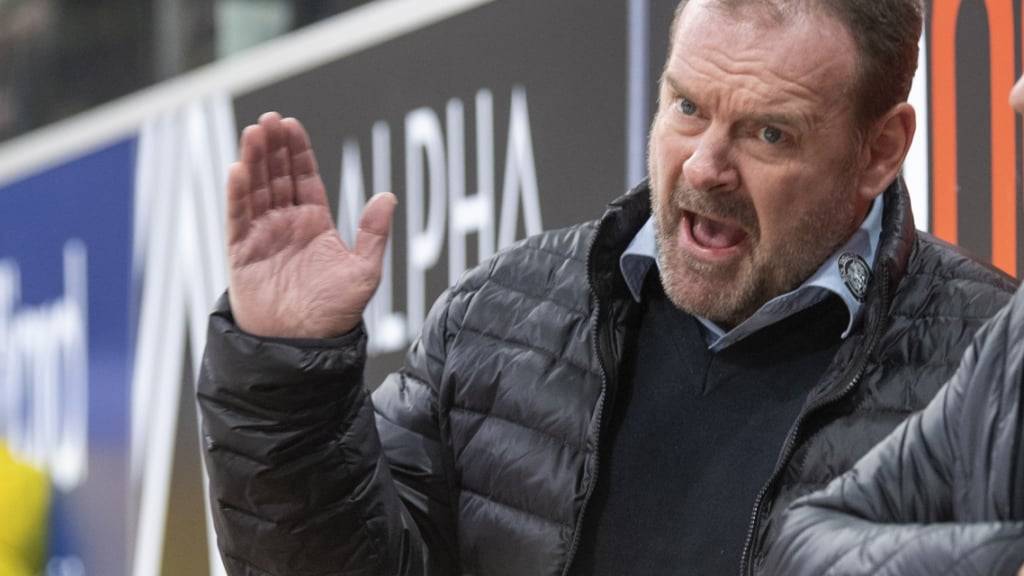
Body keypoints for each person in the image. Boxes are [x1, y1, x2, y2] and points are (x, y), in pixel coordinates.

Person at [196, 0, 1016, 574]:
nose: (704, 166)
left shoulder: (989, 360)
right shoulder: (500, 314)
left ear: (880, 151)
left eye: (769, 133)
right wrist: (286, 377)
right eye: (687, 107)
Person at [761, 77, 1024, 576]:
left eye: (772, 133)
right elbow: (803, 542)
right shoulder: (1015, 338)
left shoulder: (986, 313)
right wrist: (1001, 559)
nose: (1018, 96)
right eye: (687, 107)